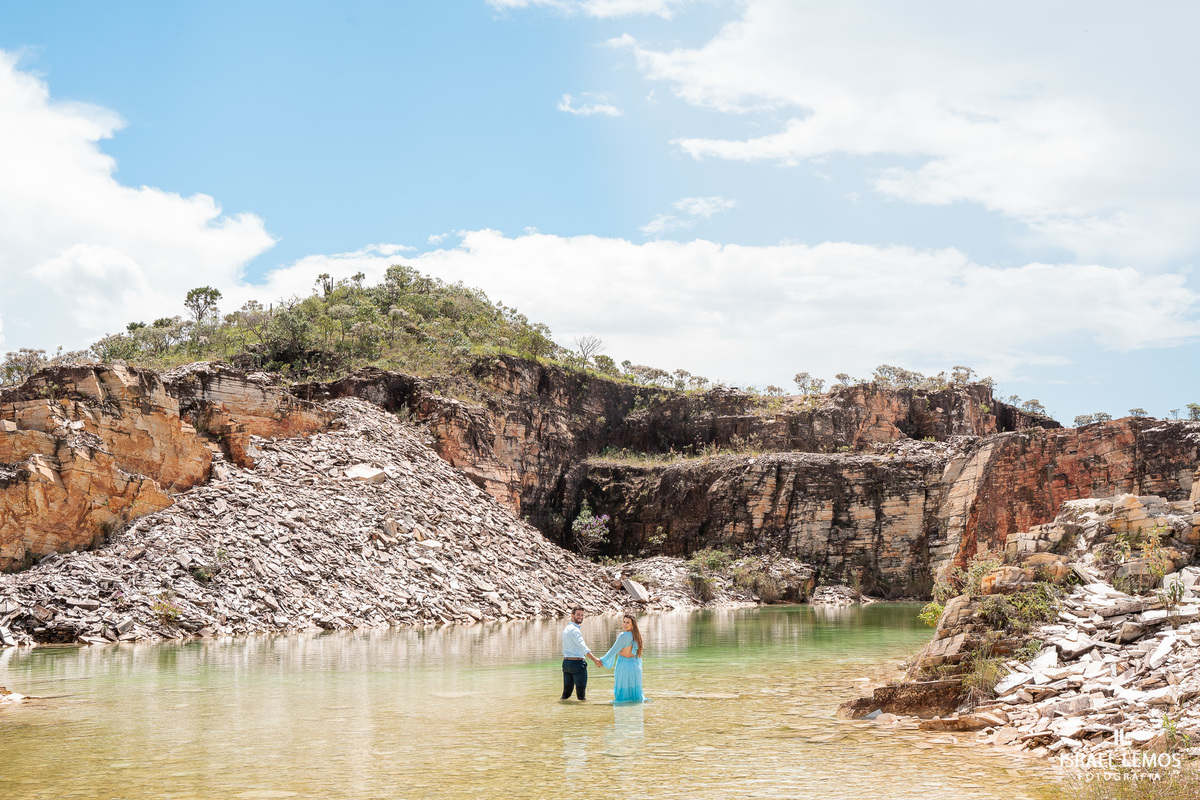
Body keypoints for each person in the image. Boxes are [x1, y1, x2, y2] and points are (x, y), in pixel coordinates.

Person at [599, 613, 645, 703]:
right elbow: (638, 655)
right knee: (635, 696)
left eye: (627, 622)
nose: (624, 624)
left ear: (633, 625)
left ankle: (621, 711)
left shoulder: (623, 635)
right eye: (624, 622)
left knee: (622, 698)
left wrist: (602, 661)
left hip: (624, 667)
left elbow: (613, 651)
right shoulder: (637, 636)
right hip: (636, 667)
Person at [561, 606, 601, 701]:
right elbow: (583, 647)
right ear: (572, 615)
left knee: (566, 695)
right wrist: (595, 660)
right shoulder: (575, 630)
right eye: (578, 615)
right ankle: (583, 710)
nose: (580, 617)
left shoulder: (566, 629)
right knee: (581, 696)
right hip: (577, 665)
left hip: (566, 664)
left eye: (582, 615)